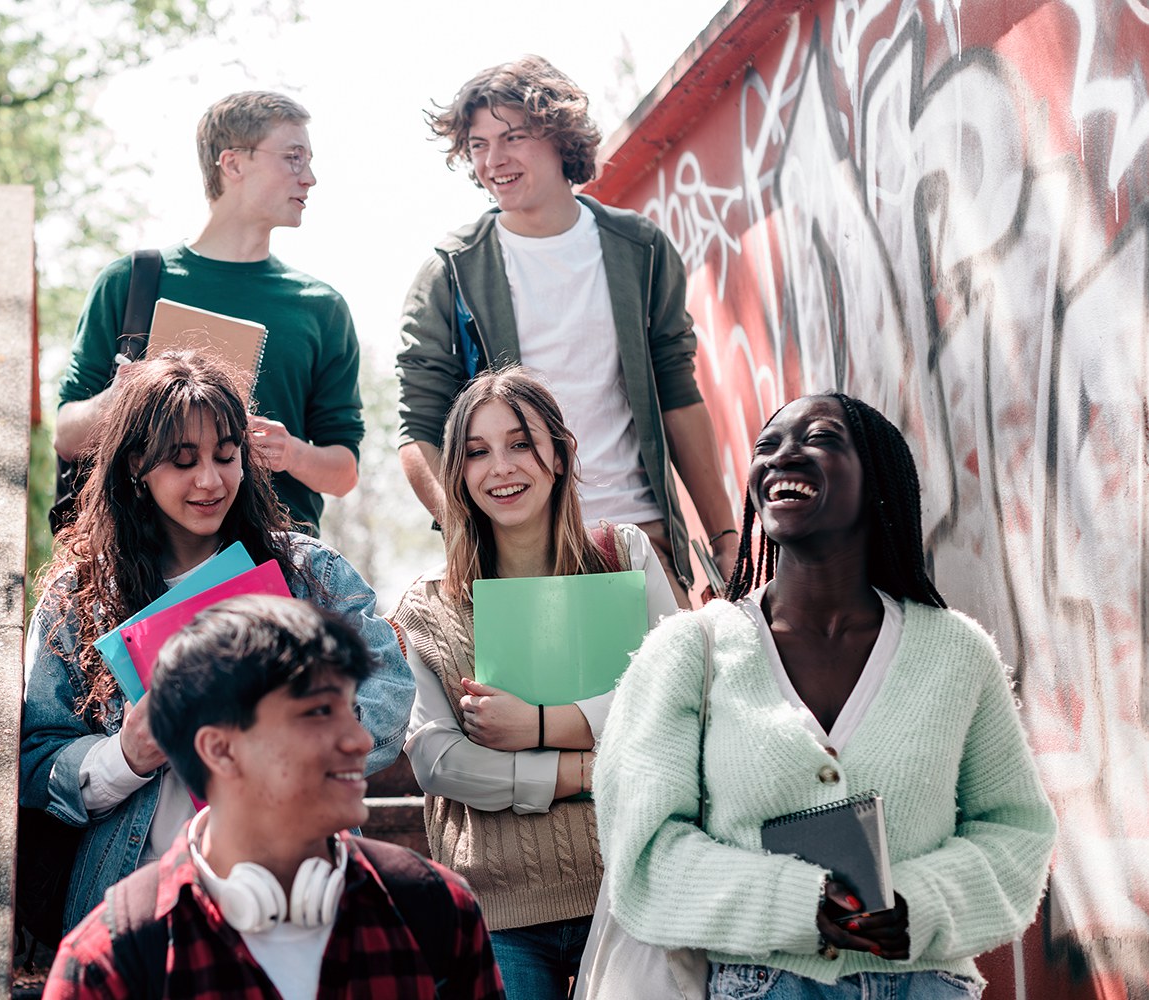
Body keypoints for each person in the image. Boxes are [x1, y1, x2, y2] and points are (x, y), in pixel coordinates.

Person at [593, 393, 1056, 997]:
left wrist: (914, 903)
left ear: (878, 481)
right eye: (767, 446)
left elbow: (1015, 831)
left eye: (820, 438)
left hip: (925, 984)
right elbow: (644, 847)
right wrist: (800, 904)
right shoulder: (688, 653)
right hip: (762, 982)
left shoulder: (956, 654)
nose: (784, 455)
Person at [20, 351, 413, 935]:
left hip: (297, 895)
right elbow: (35, 761)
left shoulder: (311, 576)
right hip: (142, 912)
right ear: (136, 464)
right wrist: (125, 756)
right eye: (183, 462)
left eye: (226, 456)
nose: (210, 480)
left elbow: (388, 694)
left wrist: (299, 733)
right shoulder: (79, 598)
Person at [396, 55, 739, 605]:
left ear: (560, 138)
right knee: (530, 698)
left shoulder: (639, 249)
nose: (494, 160)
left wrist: (723, 536)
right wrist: (471, 536)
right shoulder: (452, 270)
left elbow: (678, 391)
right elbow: (419, 427)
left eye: (513, 137)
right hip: (521, 555)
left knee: (676, 691)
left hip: (637, 538)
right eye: (478, 145)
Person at [44, 595, 506, 999]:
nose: (360, 740)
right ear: (219, 749)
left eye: (351, 709)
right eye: (320, 712)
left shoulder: (440, 911)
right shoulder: (108, 961)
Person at [392, 367, 678, 999]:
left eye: (520, 443)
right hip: (501, 914)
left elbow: (678, 693)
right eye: (477, 452)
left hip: (632, 890)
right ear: (457, 475)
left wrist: (541, 726)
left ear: (559, 453)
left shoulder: (622, 554)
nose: (502, 467)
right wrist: (584, 771)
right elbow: (440, 761)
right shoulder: (428, 604)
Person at [54, 90, 363, 534]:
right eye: (294, 157)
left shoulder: (321, 307)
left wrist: (291, 452)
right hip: (141, 568)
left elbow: (344, 471)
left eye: (308, 160)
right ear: (233, 163)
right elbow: (66, 436)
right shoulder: (130, 282)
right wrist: (116, 401)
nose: (310, 177)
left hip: (274, 568)